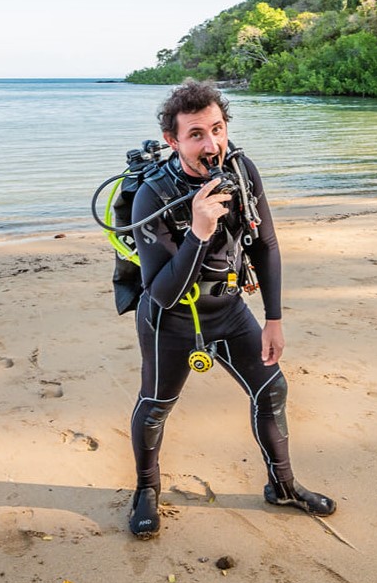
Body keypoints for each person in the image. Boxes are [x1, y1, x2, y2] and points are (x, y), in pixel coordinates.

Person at [127, 79, 335, 538]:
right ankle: (146, 489)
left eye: (217, 129)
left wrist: (274, 319)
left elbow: (266, 244)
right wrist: (198, 230)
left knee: (272, 391)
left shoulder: (242, 171)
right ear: (173, 141)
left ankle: (283, 486)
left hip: (230, 309)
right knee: (157, 404)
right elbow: (161, 293)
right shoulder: (153, 196)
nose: (211, 143)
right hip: (171, 321)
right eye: (196, 134)